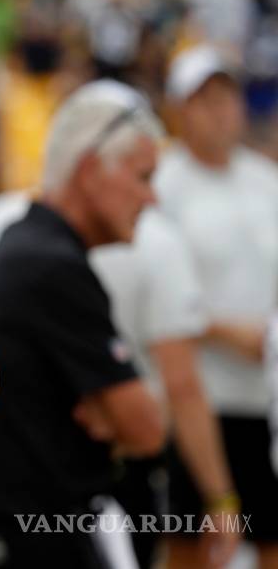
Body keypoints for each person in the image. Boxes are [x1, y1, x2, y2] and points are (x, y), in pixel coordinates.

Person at [0, 80, 167, 569]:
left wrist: (106, 409)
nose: (152, 199)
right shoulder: (50, 264)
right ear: (90, 170)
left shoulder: (24, 241)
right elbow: (146, 429)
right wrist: (109, 413)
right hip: (29, 534)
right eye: (144, 177)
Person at [154, 44, 278, 568]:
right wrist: (230, 332)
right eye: (205, 100)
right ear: (180, 111)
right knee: (193, 544)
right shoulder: (163, 185)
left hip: (265, 397)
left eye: (227, 97)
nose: (221, 111)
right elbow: (160, 292)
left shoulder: (266, 181)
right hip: (198, 400)